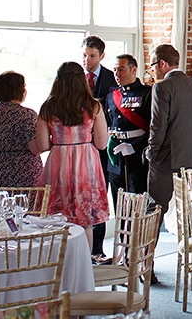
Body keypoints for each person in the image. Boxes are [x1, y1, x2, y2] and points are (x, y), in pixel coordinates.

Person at [29, 62, 110, 244]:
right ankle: (84, 267)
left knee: (56, 219)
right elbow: (102, 143)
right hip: (86, 163)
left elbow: (42, 144)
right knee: (86, 222)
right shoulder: (93, 106)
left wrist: (60, 141)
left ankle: (58, 266)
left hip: (59, 161)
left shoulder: (48, 107)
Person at [146, 44, 192, 213]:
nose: (152, 71)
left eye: (153, 66)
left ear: (162, 64)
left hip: (170, 156)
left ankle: (149, 240)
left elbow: (158, 125)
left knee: (156, 206)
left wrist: (151, 151)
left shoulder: (161, 87)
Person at [82, 36, 118, 259]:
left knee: (99, 197)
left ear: (101, 56)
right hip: (81, 145)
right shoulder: (76, 78)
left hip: (104, 146)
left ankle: (97, 249)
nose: (87, 60)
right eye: (84, 55)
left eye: (92, 56)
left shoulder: (110, 78)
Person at [0, 71, 42, 188]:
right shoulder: (27, 114)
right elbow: (35, 148)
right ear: (19, 90)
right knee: (24, 205)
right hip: (23, 171)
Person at [103, 53, 152, 199]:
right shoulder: (111, 96)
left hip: (136, 158)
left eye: (121, 69)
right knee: (118, 204)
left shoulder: (147, 94)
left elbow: (154, 129)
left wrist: (135, 146)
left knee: (136, 205)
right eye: (115, 70)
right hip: (115, 158)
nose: (117, 74)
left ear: (133, 70)